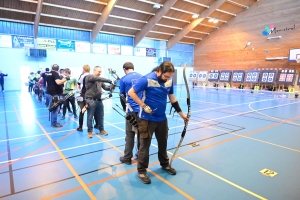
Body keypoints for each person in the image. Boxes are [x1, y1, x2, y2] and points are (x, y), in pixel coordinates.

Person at [128, 61, 189, 184]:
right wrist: (143, 105)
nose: (168, 79)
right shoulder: (147, 79)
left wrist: (182, 114)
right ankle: (141, 171)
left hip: (161, 118)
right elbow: (131, 92)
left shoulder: (169, 81)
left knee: (163, 143)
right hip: (146, 119)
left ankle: (165, 164)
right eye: (166, 76)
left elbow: (172, 98)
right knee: (144, 145)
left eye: (170, 76)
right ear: (159, 71)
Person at [119, 62, 143, 165]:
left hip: (131, 110)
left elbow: (122, 96)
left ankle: (127, 157)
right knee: (141, 134)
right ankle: (140, 154)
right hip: (142, 111)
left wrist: (125, 109)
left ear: (125, 69)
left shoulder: (124, 79)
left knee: (130, 134)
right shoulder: (142, 77)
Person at [84, 66, 113, 138]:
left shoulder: (99, 80)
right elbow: (97, 78)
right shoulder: (89, 77)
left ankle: (101, 130)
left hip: (98, 100)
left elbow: (105, 87)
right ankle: (90, 132)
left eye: (101, 72)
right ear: (94, 70)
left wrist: (110, 88)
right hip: (90, 100)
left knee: (101, 116)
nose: (100, 73)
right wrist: (109, 80)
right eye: (99, 71)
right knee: (90, 116)